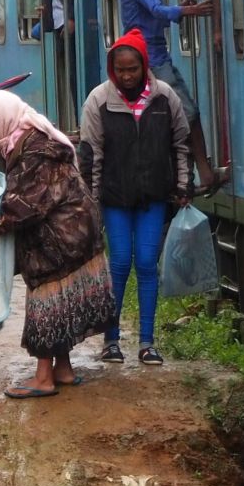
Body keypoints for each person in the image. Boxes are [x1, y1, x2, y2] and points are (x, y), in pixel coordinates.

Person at [0, 90, 114, 397]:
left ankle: (43, 378)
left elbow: (20, 210)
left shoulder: (39, 150)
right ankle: (62, 370)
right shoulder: (7, 140)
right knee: (60, 306)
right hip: (63, 237)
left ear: (2, 117)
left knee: (47, 307)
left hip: (64, 239)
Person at [78, 29, 191, 366]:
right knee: (120, 263)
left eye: (133, 69)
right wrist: (92, 201)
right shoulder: (98, 100)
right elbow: (91, 155)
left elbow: (180, 145)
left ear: (144, 66)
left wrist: (183, 186)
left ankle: (146, 341)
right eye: (120, 70)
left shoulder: (165, 98)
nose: (126, 76)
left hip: (153, 197)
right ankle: (111, 341)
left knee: (146, 264)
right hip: (114, 199)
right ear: (113, 69)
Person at [120, 0, 220, 193]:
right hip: (151, 59)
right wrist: (189, 10)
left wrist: (178, 9)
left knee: (173, 117)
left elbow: (152, 18)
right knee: (188, 112)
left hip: (153, 55)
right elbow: (155, 11)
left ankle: (189, 175)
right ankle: (204, 174)